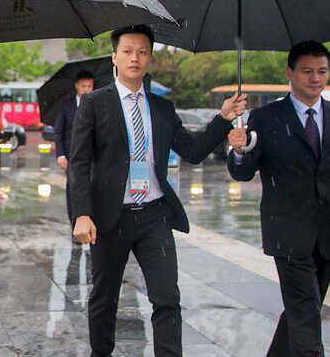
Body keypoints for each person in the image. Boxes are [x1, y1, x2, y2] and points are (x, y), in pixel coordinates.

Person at [70, 25, 246, 356]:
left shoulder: (162, 108)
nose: (134, 58)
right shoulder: (94, 104)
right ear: (114, 56)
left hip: (154, 216)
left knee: (167, 299)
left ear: (150, 57)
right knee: (104, 299)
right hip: (110, 218)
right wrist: (82, 213)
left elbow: (192, 151)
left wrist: (223, 119)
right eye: (127, 51)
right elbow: (79, 165)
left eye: (142, 52)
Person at [227, 41, 330, 356]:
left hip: (326, 232)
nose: (315, 78)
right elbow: (243, 172)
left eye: (322, 71)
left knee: (302, 310)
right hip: (287, 232)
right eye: (307, 71)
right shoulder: (266, 118)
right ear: (290, 73)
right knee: (306, 310)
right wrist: (239, 151)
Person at [54, 69, 95, 233]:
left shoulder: (97, 104)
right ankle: (75, 224)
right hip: (71, 157)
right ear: (77, 86)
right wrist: (61, 155)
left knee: (94, 189)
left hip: (93, 156)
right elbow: (58, 131)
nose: (87, 89)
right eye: (84, 86)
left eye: (90, 86)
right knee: (74, 188)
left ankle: (91, 221)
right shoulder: (66, 106)